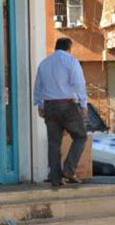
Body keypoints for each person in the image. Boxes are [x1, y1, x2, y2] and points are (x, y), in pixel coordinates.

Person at [34, 37, 88, 187]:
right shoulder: (71, 61)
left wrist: (39, 104)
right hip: (67, 105)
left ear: (55, 47)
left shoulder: (44, 63)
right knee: (80, 136)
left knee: (54, 143)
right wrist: (83, 104)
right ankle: (69, 170)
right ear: (69, 48)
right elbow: (79, 83)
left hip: (49, 106)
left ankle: (56, 178)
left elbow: (38, 85)